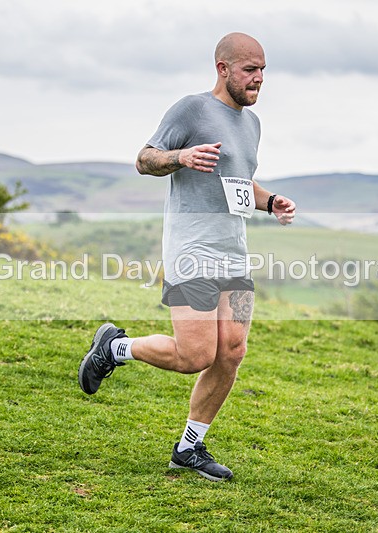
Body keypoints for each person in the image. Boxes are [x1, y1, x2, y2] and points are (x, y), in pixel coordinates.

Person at [78, 32, 296, 482]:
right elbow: (145, 159)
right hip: (192, 251)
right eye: (249, 70)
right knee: (195, 355)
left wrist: (271, 201)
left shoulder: (252, 124)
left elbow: (239, 183)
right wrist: (181, 156)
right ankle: (114, 348)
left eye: (262, 70)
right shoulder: (191, 110)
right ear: (223, 69)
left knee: (231, 352)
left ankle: (188, 448)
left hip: (234, 255)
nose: (258, 79)